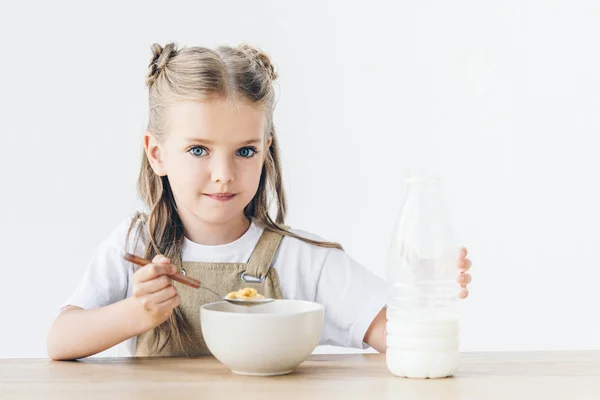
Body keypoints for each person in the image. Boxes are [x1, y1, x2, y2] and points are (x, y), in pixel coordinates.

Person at [47, 42, 472, 360]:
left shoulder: (302, 259)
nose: (224, 173)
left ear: (266, 150)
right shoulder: (136, 242)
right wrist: (135, 313)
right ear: (156, 153)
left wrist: (423, 292)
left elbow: (396, 337)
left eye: (245, 151)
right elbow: (60, 341)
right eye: (198, 150)